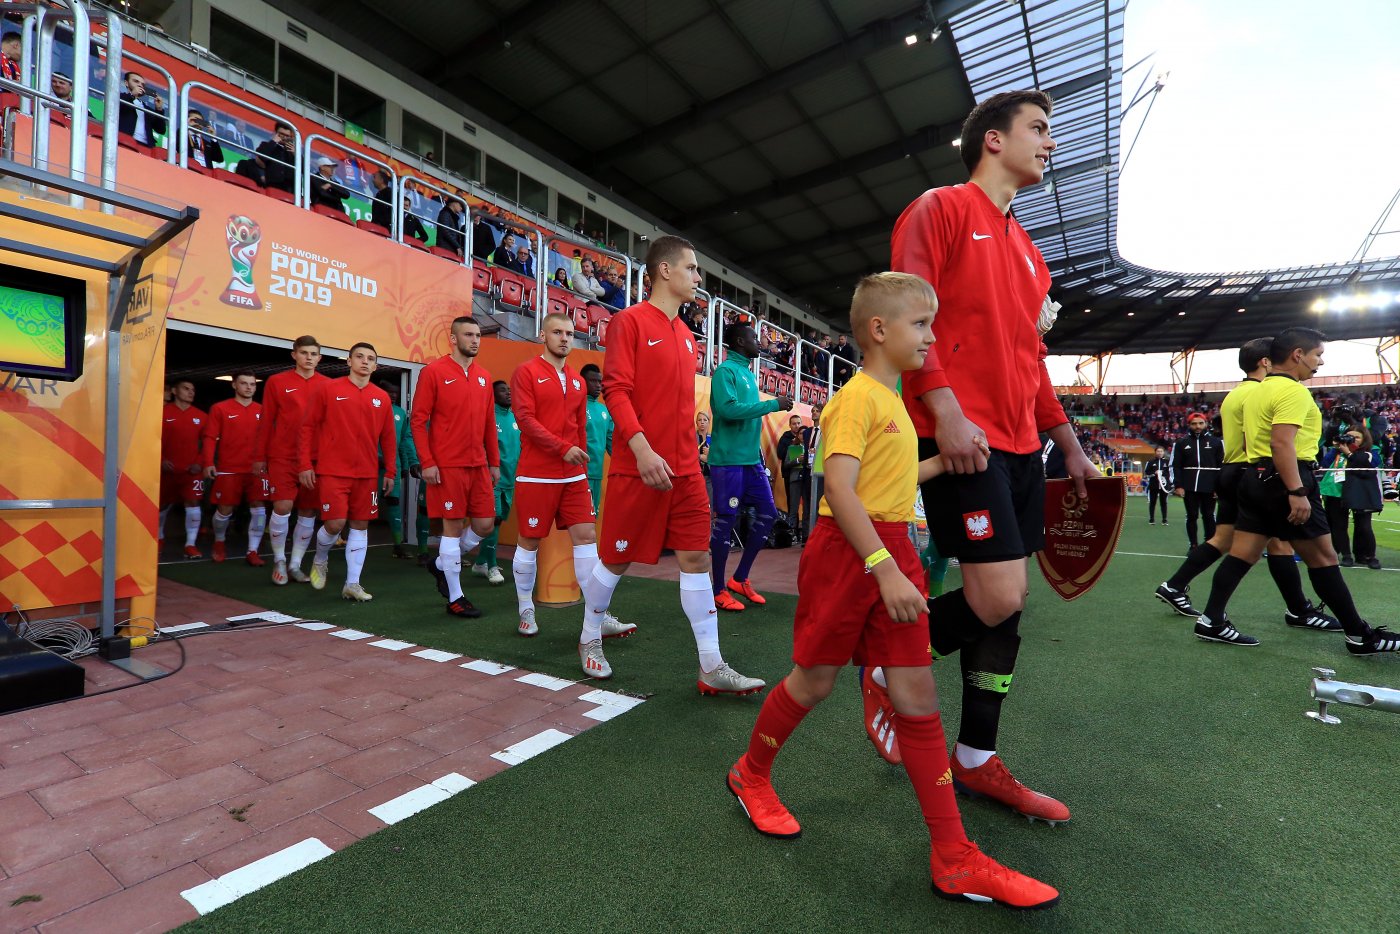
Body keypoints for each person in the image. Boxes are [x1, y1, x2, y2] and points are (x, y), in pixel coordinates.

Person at [725, 272, 1056, 910]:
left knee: (916, 691)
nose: (934, 337)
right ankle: (749, 774)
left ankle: (955, 858)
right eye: (922, 324)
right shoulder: (854, 399)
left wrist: (946, 462)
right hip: (853, 555)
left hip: (889, 547)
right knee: (814, 681)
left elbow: (888, 482)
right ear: (879, 330)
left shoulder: (895, 403)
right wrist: (882, 566)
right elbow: (839, 491)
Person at [883, 89, 1094, 823]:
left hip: (1020, 449)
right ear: (993, 141)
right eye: (1039, 129)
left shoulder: (1031, 254)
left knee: (1006, 608)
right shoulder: (938, 209)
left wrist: (1068, 446)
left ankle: (975, 759)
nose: (1052, 143)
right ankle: (889, 657)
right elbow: (908, 313)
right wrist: (944, 411)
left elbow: (1030, 361)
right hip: (962, 442)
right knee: (997, 598)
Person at [583, 235, 765, 695]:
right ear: (665, 270)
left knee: (696, 556)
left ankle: (711, 665)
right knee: (616, 559)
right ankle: (589, 636)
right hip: (637, 466)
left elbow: (678, 407)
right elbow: (616, 391)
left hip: (684, 470)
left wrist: (694, 454)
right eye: (692, 268)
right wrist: (642, 449)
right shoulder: (628, 322)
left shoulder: (687, 337)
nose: (698, 277)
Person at [1192, 327, 1399, 655]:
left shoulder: (1256, 390)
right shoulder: (1293, 391)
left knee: (1242, 553)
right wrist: (1297, 490)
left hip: (1255, 476)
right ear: (1297, 354)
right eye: (1317, 355)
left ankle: (1211, 620)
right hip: (1284, 478)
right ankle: (1361, 636)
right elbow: (1281, 442)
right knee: (1324, 558)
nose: (1320, 363)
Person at [1154, 339, 1338, 633]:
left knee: (1225, 540)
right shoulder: (1262, 392)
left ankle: (1176, 586)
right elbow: (1272, 440)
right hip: (1252, 471)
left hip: (1232, 469)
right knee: (1277, 543)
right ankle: (1298, 610)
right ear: (1267, 362)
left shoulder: (1235, 394)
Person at [510, 313, 637, 673]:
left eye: (569, 333)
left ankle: (598, 613)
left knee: (586, 538)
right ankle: (525, 609)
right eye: (557, 332)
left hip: (573, 476)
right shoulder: (526, 372)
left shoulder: (578, 382)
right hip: (537, 474)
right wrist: (560, 448)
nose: (565, 339)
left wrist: (579, 465)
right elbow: (526, 418)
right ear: (542, 335)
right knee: (529, 540)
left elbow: (579, 427)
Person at [411, 316, 499, 618]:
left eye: (478, 335)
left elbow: (489, 423)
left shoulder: (484, 377)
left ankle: (439, 565)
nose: (475, 340)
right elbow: (418, 421)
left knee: (485, 524)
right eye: (468, 335)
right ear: (453, 338)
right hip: (447, 466)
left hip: (478, 465)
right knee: (452, 528)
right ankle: (456, 597)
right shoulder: (434, 372)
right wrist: (428, 462)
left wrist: (494, 462)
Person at [297, 343, 396, 602]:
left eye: (371, 359)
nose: (365, 362)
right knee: (335, 523)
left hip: (366, 473)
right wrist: (305, 464)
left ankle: (352, 583)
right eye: (360, 357)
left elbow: (388, 438)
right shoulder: (329, 389)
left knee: (360, 525)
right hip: (333, 471)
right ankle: (320, 558)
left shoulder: (382, 397)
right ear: (349, 361)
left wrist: (391, 471)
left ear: (375, 366)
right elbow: (307, 427)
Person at [708, 324, 793, 612]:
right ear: (740, 341)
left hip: (750, 461)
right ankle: (718, 589)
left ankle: (739, 578)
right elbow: (729, 411)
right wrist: (773, 405)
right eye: (755, 338)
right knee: (725, 522)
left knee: (768, 514)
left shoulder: (747, 373)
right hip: (728, 461)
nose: (760, 343)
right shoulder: (725, 372)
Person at [252, 336, 331, 585]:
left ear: (320, 358)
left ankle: (296, 564)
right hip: (283, 456)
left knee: (308, 511)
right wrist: (259, 456)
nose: (309, 358)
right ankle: (279, 560)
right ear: (294, 354)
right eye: (304, 353)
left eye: (314, 354)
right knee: (283, 507)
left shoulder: (329, 385)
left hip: (317, 458)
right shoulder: (277, 382)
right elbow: (266, 421)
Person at [201, 372, 268, 566]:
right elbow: (209, 438)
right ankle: (219, 542)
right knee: (224, 510)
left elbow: (268, 440)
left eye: (252, 384)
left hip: (256, 469)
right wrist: (208, 463)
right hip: (229, 468)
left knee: (260, 510)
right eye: (244, 384)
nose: (249, 387)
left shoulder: (263, 410)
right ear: (234, 385)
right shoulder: (220, 408)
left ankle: (253, 550)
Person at [473, 380, 519, 586]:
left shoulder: (515, 418)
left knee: (499, 521)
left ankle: (481, 562)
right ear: (492, 394)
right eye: (503, 390)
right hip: (491, 480)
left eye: (509, 390)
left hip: (510, 480)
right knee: (494, 520)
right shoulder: (487, 416)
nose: (508, 393)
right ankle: (491, 566)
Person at [160, 379, 207, 558]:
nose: (190, 392)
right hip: (166, 470)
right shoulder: (162, 412)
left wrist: (200, 462)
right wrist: (161, 460)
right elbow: (150, 439)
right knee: (161, 506)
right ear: (174, 391)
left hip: (192, 471)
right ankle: (159, 538)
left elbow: (208, 443)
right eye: (186, 389)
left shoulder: (202, 416)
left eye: (192, 389)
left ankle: (190, 544)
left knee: (193, 503)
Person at [377, 381, 420, 560]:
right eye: (389, 392)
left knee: (394, 504)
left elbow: (404, 441)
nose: (393, 395)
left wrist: (408, 463)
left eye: (396, 392)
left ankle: (397, 546)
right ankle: (344, 539)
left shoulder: (401, 413)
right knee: (361, 506)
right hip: (370, 467)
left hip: (392, 467)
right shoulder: (373, 407)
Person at [1172, 412, 1223, 549]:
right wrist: (1178, 485)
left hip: (1210, 485)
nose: (1198, 426)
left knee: (1209, 515)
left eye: (1201, 423)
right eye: (1194, 424)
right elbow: (1175, 466)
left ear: (1206, 424)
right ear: (1189, 425)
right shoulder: (1181, 443)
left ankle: (1210, 545)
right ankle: (1193, 545)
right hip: (1189, 486)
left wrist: (1220, 487)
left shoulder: (1216, 442)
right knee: (1191, 515)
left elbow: (1222, 466)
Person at [1338, 426, 1383, 569]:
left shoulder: (1371, 452)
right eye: (1349, 436)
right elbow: (1325, 463)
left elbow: (1369, 462)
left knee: (1364, 526)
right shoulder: (1338, 452)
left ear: (1365, 439)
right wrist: (1337, 448)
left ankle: (1369, 556)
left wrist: (1349, 454)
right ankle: (1347, 555)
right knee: (1339, 526)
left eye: (1356, 437)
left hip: (1362, 494)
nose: (1352, 440)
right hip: (1337, 492)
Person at [579, 363, 613, 510]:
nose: (598, 385)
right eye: (593, 381)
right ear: (582, 381)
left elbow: (614, 445)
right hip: (578, 474)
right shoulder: (575, 405)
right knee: (579, 521)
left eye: (600, 381)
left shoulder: (604, 410)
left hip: (596, 475)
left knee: (592, 517)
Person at [238, 121, 296, 192]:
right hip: (270, 184)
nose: (284, 137)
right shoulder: (267, 145)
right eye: (281, 134)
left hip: (288, 188)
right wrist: (274, 141)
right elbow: (261, 156)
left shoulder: (292, 152)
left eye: (287, 136)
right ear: (275, 133)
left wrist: (295, 154)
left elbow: (303, 170)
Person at [775, 413, 809, 538]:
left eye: (798, 423)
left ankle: (805, 533)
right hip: (791, 476)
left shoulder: (810, 445)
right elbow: (781, 456)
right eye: (794, 424)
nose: (796, 426)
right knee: (792, 505)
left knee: (807, 506)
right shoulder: (786, 439)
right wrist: (796, 459)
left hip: (807, 478)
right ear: (789, 425)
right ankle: (792, 532)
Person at [118, 72, 167, 146]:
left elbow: (161, 130)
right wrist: (132, 95)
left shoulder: (147, 109)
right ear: (126, 83)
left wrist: (159, 109)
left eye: (143, 84)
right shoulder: (119, 96)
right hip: (123, 142)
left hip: (146, 148)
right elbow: (113, 109)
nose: (140, 85)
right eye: (136, 81)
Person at [1143, 445, 1171, 524]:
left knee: (1164, 503)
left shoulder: (1167, 462)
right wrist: (1154, 473)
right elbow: (1147, 472)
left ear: (1163, 452)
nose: (1159, 453)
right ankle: (1151, 519)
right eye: (1158, 451)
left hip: (1164, 486)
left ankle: (1164, 520)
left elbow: (1170, 473)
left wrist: (1162, 473)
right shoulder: (1151, 462)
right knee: (1152, 502)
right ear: (1155, 452)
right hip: (1153, 485)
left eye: (1161, 451)